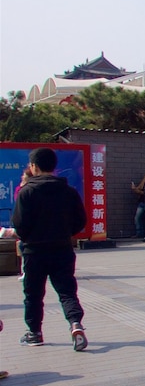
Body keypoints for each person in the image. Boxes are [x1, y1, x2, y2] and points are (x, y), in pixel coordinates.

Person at [13, 148, 89, 351]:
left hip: (34, 252)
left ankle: (35, 333)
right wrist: (65, 232)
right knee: (67, 291)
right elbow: (81, 220)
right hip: (62, 249)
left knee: (33, 294)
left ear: (34, 166)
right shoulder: (68, 191)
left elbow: (20, 225)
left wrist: (29, 236)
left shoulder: (27, 192)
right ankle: (75, 324)